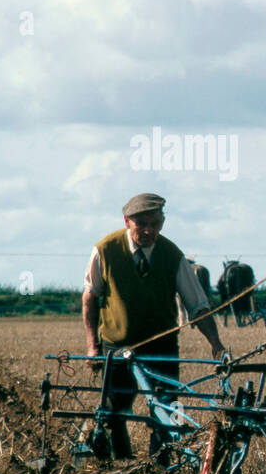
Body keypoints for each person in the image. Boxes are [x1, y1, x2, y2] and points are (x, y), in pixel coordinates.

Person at [83, 193, 226, 458]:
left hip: (162, 346)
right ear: (127, 221)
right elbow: (90, 297)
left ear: (162, 222)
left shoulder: (172, 255)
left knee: (167, 408)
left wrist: (216, 344)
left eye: (156, 224)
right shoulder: (105, 249)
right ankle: (122, 464)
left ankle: (159, 469)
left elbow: (198, 305)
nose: (149, 230)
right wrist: (93, 347)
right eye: (142, 224)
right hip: (117, 345)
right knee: (115, 410)